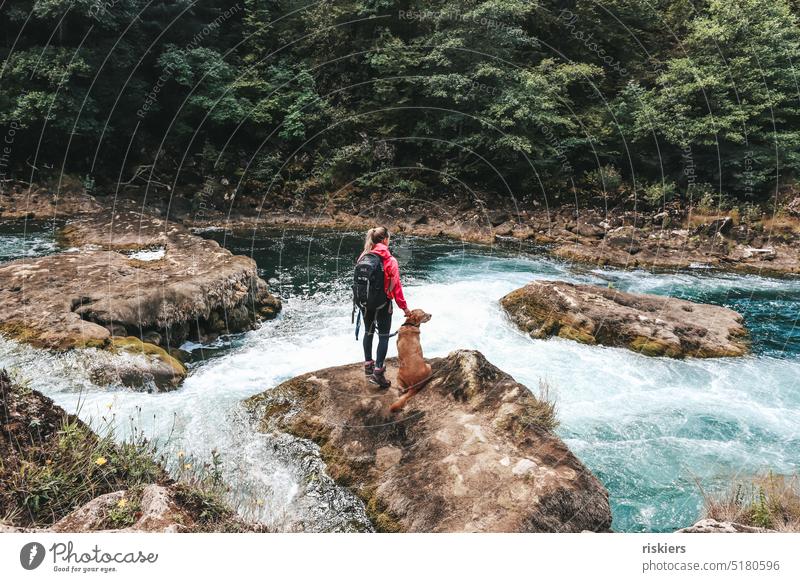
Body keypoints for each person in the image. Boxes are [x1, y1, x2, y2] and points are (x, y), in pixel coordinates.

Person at [357, 226, 409, 388]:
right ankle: (378, 372)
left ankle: (368, 365)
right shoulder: (390, 260)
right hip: (383, 304)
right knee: (384, 336)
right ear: (385, 239)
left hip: (364, 303)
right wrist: (405, 308)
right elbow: (396, 288)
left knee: (369, 332)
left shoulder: (364, 256)